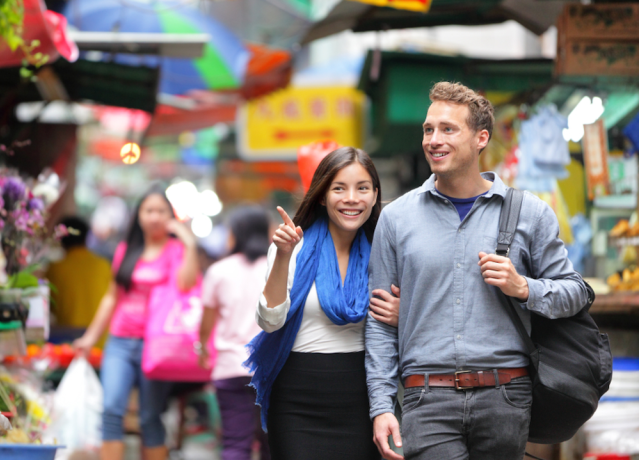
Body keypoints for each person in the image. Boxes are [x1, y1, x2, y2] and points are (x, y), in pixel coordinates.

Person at [365, 82, 590, 460]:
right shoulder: (396, 218)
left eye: (448, 129)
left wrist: (523, 288)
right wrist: (382, 405)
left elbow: (576, 292)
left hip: (506, 394)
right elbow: (379, 323)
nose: (434, 139)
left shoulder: (530, 213)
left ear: (481, 138)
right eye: (428, 129)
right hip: (426, 396)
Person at [246, 147, 396, 460]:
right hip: (296, 403)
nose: (352, 198)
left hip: (362, 397)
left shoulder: (386, 253)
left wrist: (402, 315)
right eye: (339, 188)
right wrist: (284, 257)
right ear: (322, 196)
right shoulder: (293, 246)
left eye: (362, 188)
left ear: (375, 195)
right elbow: (270, 321)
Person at [73, 185, 200, 460]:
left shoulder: (176, 250)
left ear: (170, 215)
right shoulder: (124, 250)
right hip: (120, 341)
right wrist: (90, 339)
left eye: (160, 211)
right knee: (111, 410)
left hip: (158, 345)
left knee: (149, 417)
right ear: (139, 215)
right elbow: (111, 298)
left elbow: (187, 284)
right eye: (148, 210)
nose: (154, 216)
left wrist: (189, 243)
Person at [198, 206, 272, 460]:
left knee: (235, 443)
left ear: (236, 233)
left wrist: (202, 349)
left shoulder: (219, 271)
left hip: (230, 367)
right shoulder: (279, 268)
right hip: (271, 370)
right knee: (271, 445)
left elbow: (205, 324)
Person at [46, 216, 112, 344]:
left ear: (60, 239)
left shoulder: (55, 268)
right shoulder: (103, 265)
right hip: (101, 339)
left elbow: (50, 306)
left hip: (69, 342)